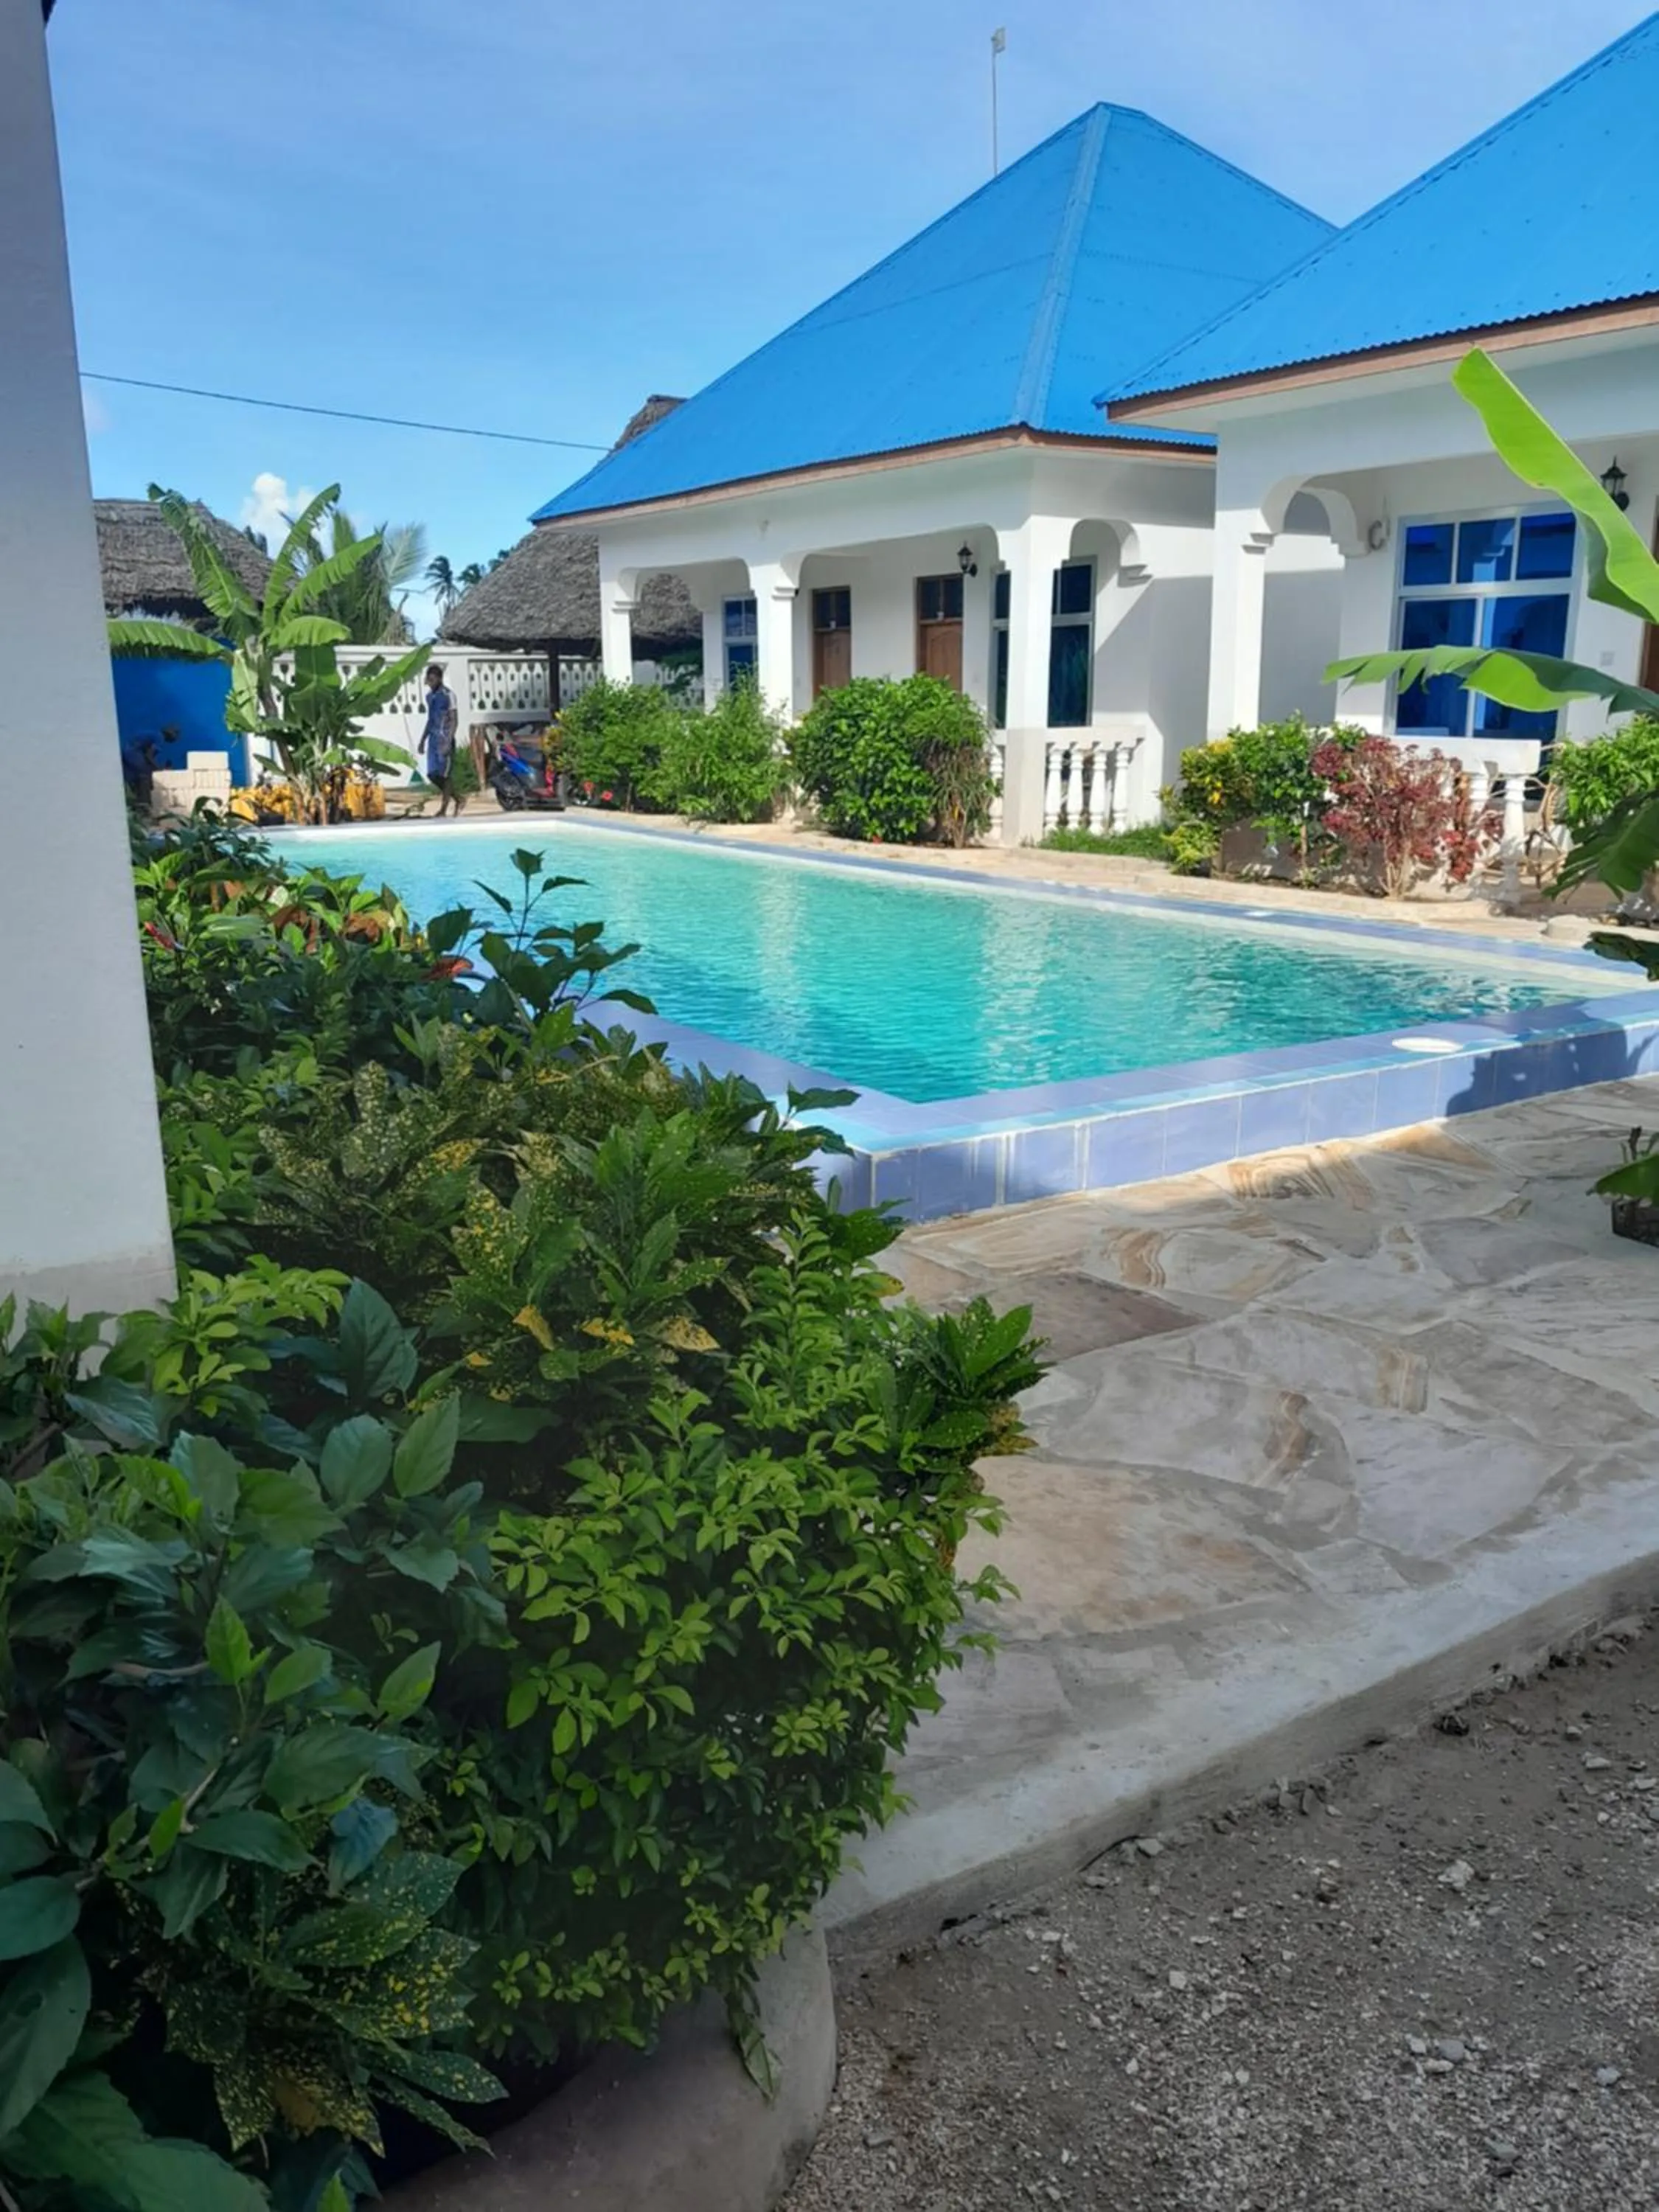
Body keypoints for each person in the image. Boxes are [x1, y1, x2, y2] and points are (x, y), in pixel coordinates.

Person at [421, 661, 460, 816]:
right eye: (428, 680)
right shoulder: (429, 697)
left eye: (432, 679)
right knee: (432, 774)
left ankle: (443, 808)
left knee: (445, 774)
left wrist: (449, 741)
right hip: (433, 739)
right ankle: (458, 798)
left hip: (444, 739)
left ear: (439, 678)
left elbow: (454, 719)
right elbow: (430, 720)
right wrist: (422, 740)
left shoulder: (449, 695)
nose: (429, 683)